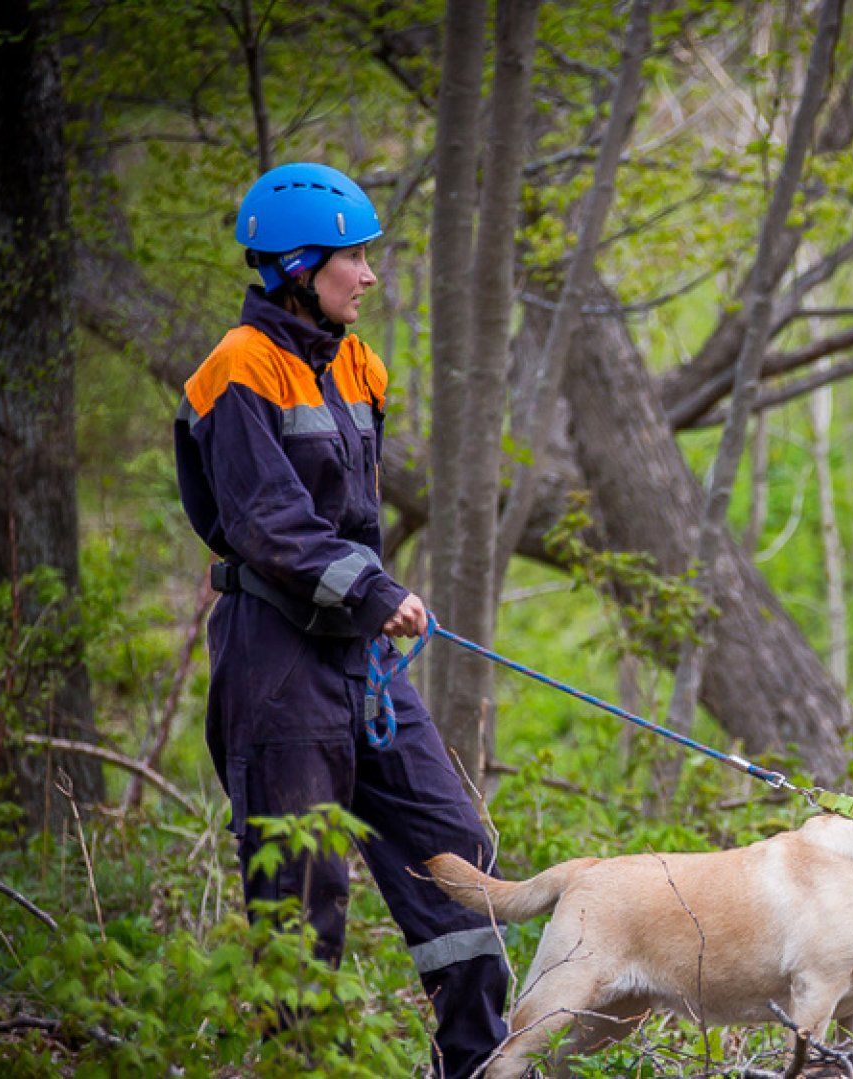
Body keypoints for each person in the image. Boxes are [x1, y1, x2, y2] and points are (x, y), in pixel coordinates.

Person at [173, 161, 509, 1076]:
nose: (368, 274)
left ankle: (476, 1063)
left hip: (358, 663)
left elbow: (345, 516)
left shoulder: (359, 364)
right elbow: (268, 522)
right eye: (352, 258)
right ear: (297, 265)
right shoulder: (235, 371)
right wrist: (373, 591)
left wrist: (369, 600)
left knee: (460, 853)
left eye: (367, 257)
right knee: (300, 891)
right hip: (274, 660)